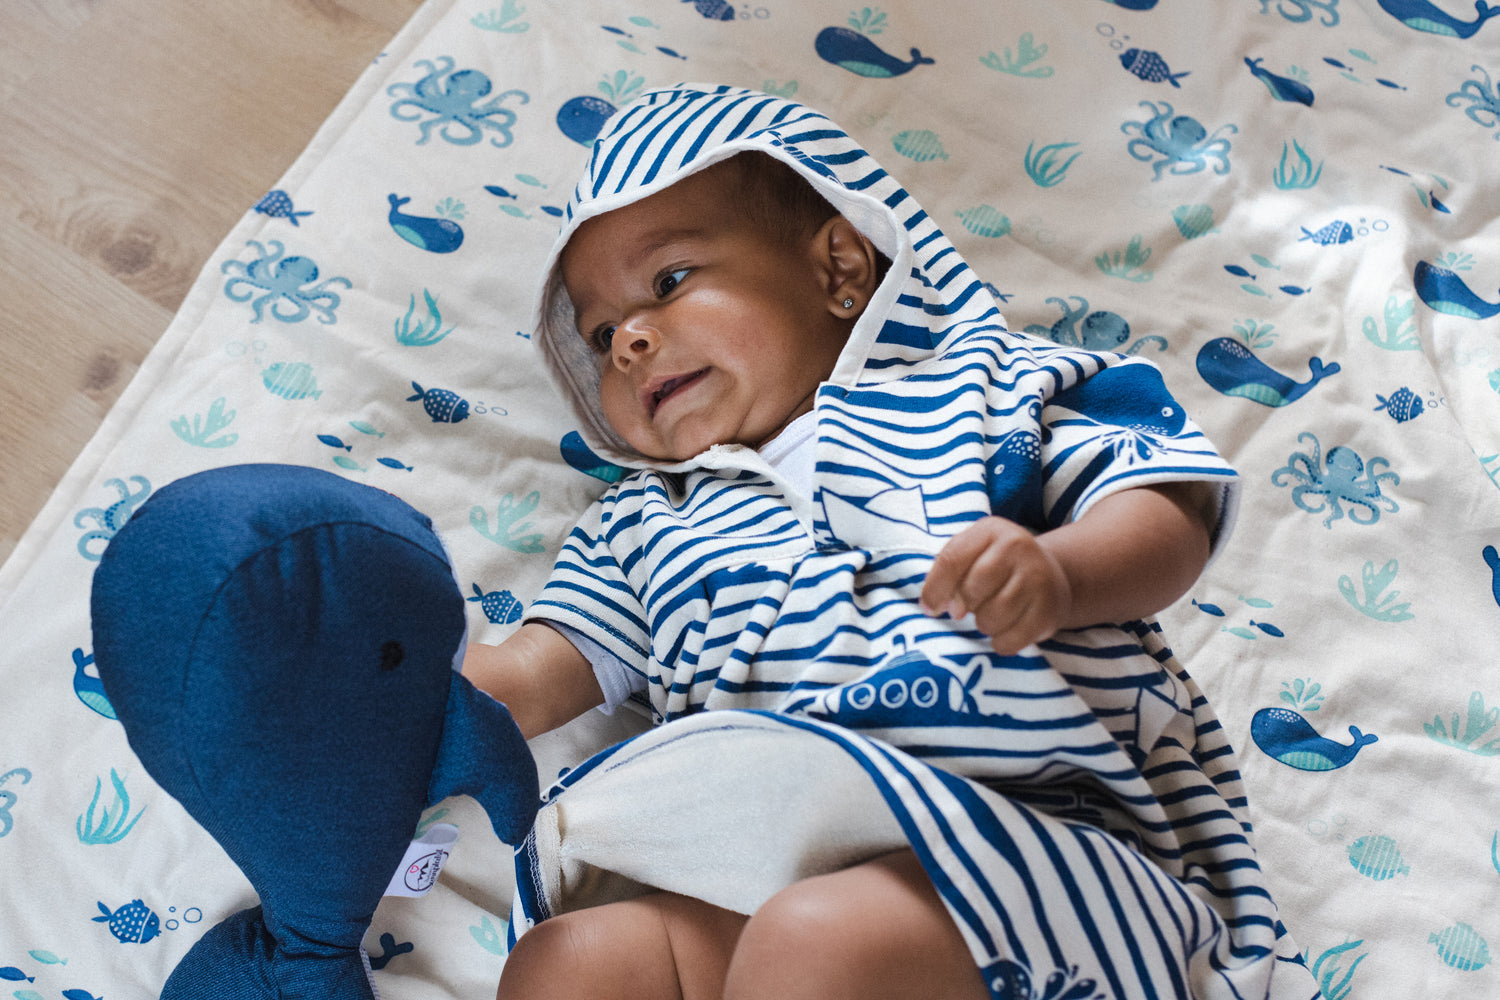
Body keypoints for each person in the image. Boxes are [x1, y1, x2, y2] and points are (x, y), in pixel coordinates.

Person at [464, 84, 1313, 1000]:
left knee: (819, 943)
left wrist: (1061, 576)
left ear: (840, 269)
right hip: (755, 863)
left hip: (1031, 845)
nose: (629, 340)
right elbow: (532, 675)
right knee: (572, 963)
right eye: (599, 334)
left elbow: (1165, 507)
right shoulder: (641, 524)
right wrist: (378, 694)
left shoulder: (984, 391)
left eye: (669, 283)